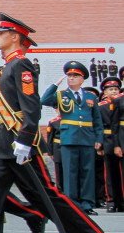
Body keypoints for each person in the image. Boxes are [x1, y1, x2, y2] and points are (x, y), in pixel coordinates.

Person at [0, 13, 113, 233]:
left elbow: (31, 108)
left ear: (15, 37)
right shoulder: (7, 67)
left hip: (20, 143)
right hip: (3, 144)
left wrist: (26, 140)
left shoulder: (22, 66)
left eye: (2, 33)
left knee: (47, 195)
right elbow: (1, 105)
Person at [40, 61, 103, 214]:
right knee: (70, 172)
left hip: (87, 139)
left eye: (75, 76)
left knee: (87, 172)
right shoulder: (61, 95)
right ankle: (72, 204)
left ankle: (87, 204)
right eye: (69, 75)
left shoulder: (90, 97)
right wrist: (55, 85)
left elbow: (97, 120)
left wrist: (99, 139)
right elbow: (44, 100)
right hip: (69, 138)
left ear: (82, 79)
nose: (71, 78)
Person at [98, 77, 122, 212]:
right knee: (109, 172)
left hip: (120, 138)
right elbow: (98, 125)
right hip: (107, 139)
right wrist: (100, 144)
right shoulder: (101, 106)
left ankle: (121, 199)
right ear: (105, 93)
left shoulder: (121, 102)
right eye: (110, 89)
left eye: (116, 89)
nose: (113, 91)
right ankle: (111, 200)